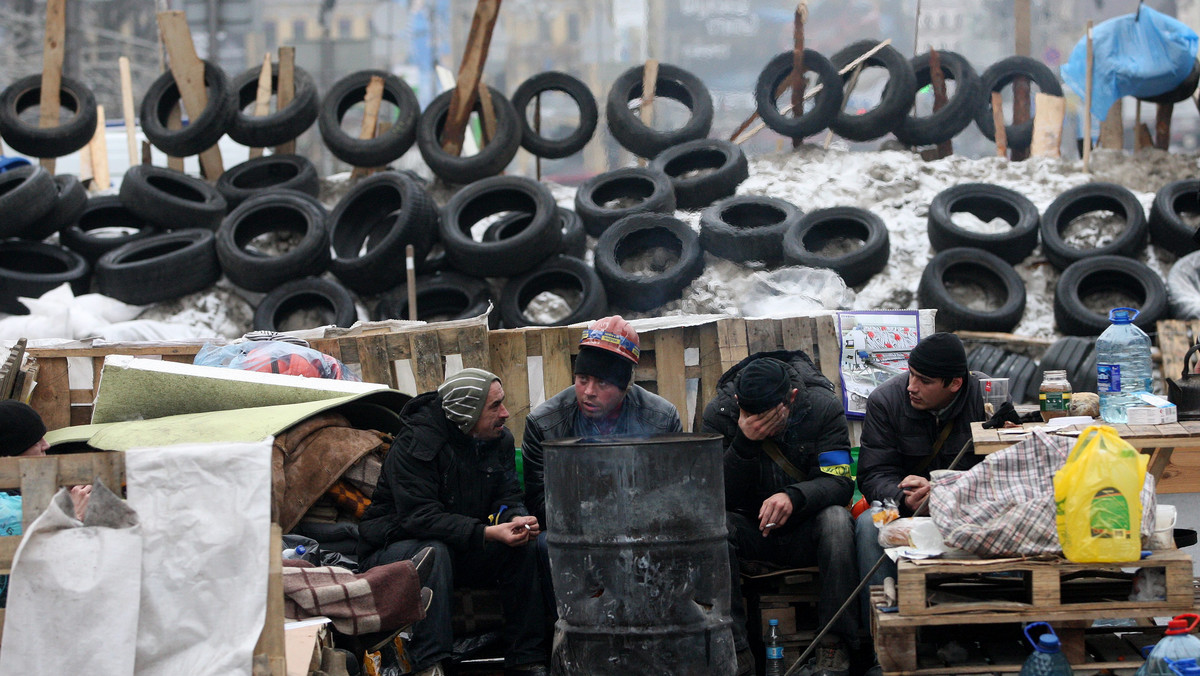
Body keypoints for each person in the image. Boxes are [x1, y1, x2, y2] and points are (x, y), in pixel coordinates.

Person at [356, 368, 547, 676]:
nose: (505, 413)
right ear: (468, 415)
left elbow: (507, 495)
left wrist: (514, 518)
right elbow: (420, 518)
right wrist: (486, 532)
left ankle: (528, 659)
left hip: (459, 543)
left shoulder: (498, 441)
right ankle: (430, 664)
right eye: (495, 406)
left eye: (503, 402)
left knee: (524, 546)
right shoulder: (418, 444)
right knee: (435, 551)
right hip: (392, 550)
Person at [702, 352, 858, 676]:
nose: (758, 423)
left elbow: (840, 481)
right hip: (751, 532)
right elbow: (709, 496)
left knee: (838, 522)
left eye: (768, 416)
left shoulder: (824, 408)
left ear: (792, 398)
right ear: (736, 400)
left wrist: (795, 497)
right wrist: (744, 443)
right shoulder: (719, 415)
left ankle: (834, 643)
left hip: (805, 528)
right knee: (714, 528)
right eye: (749, 414)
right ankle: (736, 650)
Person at [855, 333, 1004, 659]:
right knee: (869, 525)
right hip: (906, 509)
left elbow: (1004, 471)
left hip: (969, 507)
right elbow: (872, 474)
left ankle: (1000, 635)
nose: (912, 386)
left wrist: (947, 489)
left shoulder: (987, 397)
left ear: (954, 384)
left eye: (924, 380)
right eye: (911, 374)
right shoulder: (886, 400)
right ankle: (886, 649)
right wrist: (904, 497)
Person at [521, 315, 682, 529]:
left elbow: (674, 491)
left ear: (625, 386)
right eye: (582, 380)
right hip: (573, 531)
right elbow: (539, 501)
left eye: (603, 383)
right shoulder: (543, 424)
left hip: (643, 528)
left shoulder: (662, 419)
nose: (588, 392)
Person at [0, 400, 90, 607]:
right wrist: (72, 517)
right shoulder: (9, 511)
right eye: (35, 441)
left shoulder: (14, 492)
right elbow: (53, 570)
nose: (46, 444)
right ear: (9, 453)